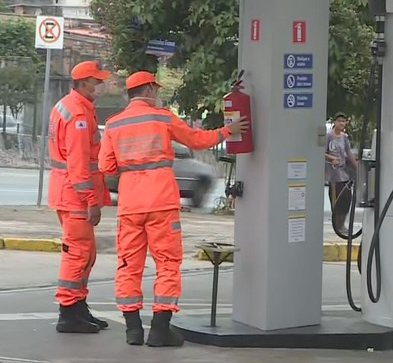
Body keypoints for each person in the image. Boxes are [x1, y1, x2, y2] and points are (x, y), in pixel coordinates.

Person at [99, 71, 248, 347]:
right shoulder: (162, 118)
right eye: (155, 89)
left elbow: (106, 167)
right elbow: (197, 140)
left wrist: (130, 168)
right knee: (167, 263)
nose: (157, 94)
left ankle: (133, 330)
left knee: (128, 265)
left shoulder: (113, 124)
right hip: (161, 203)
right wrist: (228, 131)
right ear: (148, 91)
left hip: (130, 205)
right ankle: (159, 330)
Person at [47, 60, 113, 334]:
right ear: (83, 83)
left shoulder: (74, 106)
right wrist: (91, 200)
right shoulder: (78, 115)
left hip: (68, 192)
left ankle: (78, 306)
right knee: (78, 254)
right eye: (96, 81)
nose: (100, 85)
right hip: (74, 196)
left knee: (86, 254)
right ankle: (69, 312)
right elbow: (78, 165)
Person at [325, 112, 359, 234]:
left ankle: (342, 224)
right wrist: (331, 158)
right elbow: (321, 152)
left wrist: (356, 166)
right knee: (336, 201)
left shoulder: (344, 137)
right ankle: (336, 225)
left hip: (344, 174)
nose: (341, 123)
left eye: (343, 121)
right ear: (334, 122)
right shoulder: (328, 136)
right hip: (333, 174)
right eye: (339, 121)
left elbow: (348, 153)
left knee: (346, 199)